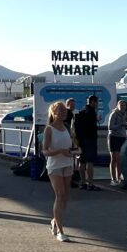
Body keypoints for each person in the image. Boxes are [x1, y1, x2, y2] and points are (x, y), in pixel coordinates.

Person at [43, 100, 78, 242]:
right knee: (60, 194)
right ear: (54, 112)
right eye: (61, 111)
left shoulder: (67, 127)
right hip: (55, 165)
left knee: (65, 197)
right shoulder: (49, 129)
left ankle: (54, 221)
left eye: (65, 111)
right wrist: (60, 151)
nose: (64, 113)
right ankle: (60, 231)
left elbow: (72, 145)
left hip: (67, 163)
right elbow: (45, 151)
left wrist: (75, 151)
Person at [74, 95, 100, 190]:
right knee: (90, 162)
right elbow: (91, 126)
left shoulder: (82, 112)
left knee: (82, 161)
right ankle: (91, 184)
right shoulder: (91, 112)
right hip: (90, 139)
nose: (97, 104)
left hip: (82, 139)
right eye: (96, 102)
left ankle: (83, 182)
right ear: (93, 102)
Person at [107, 100, 127, 185]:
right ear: (117, 106)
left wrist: (125, 125)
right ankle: (113, 178)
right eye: (121, 105)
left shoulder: (124, 114)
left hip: (122, 137)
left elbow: (124, 125)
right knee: (114, 159)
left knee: (120, 159)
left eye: (124, 105)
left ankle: (119, 178)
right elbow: (110, 127)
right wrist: (121, 124)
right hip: (114, 137)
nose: (123, 107)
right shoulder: (114, 114)